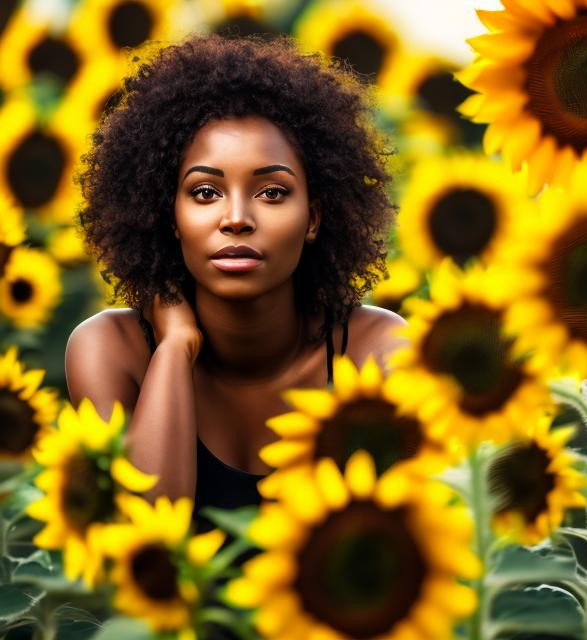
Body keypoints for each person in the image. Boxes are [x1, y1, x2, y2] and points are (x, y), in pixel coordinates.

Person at [65, 34, 406, 527]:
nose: (237, 218)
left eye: (271, 193)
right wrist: (175, 349)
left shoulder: (374, 352)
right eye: (205, 192)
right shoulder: (110, 350)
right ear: (170, 215)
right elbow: (143, 543)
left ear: (313, 218)